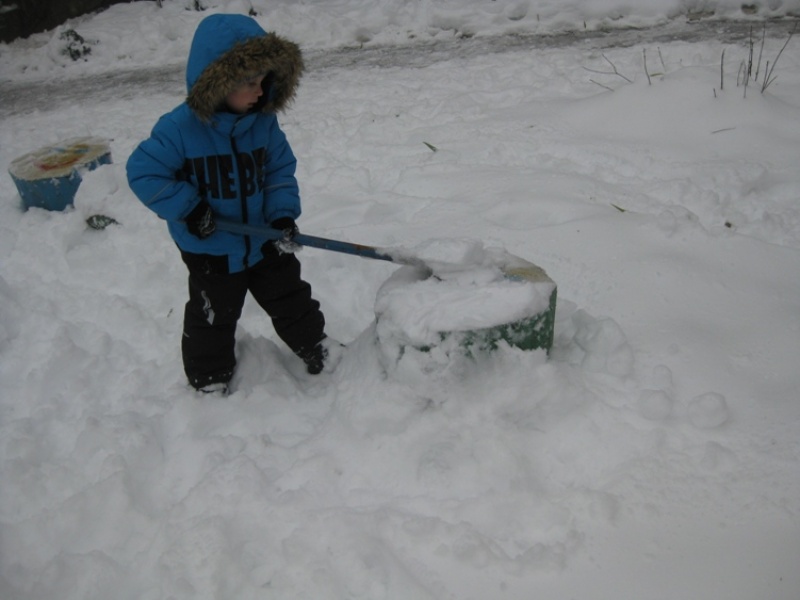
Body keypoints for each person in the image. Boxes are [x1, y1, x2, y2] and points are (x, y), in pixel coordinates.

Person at [127, 13, 337, 395]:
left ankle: (316, 345)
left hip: (263, 237)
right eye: (249, 83)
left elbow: (278, 171)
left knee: (291, 297)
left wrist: (282, 215)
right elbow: (144, 173)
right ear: (217, 83)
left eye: (263, 81)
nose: (259, 92)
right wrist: (190, 209)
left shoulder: (263, 124)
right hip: (211, 248)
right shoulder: (179, 129)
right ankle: (209, 377)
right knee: (213, 316)